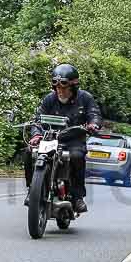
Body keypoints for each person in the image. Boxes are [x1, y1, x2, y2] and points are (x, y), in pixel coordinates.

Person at [25, 64, 102, 213]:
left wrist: (93, 124)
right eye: (58, 88)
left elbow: (94, 114)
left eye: (64, 88)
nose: (61, 91)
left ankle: (78, 197)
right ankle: (32, 190)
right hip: (50, 139)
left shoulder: (85, 98)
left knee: (76, 157)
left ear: (73, 87)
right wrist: (36, 134)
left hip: (73, 140)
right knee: (30, 152)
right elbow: (37, 119)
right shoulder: (49, 99)